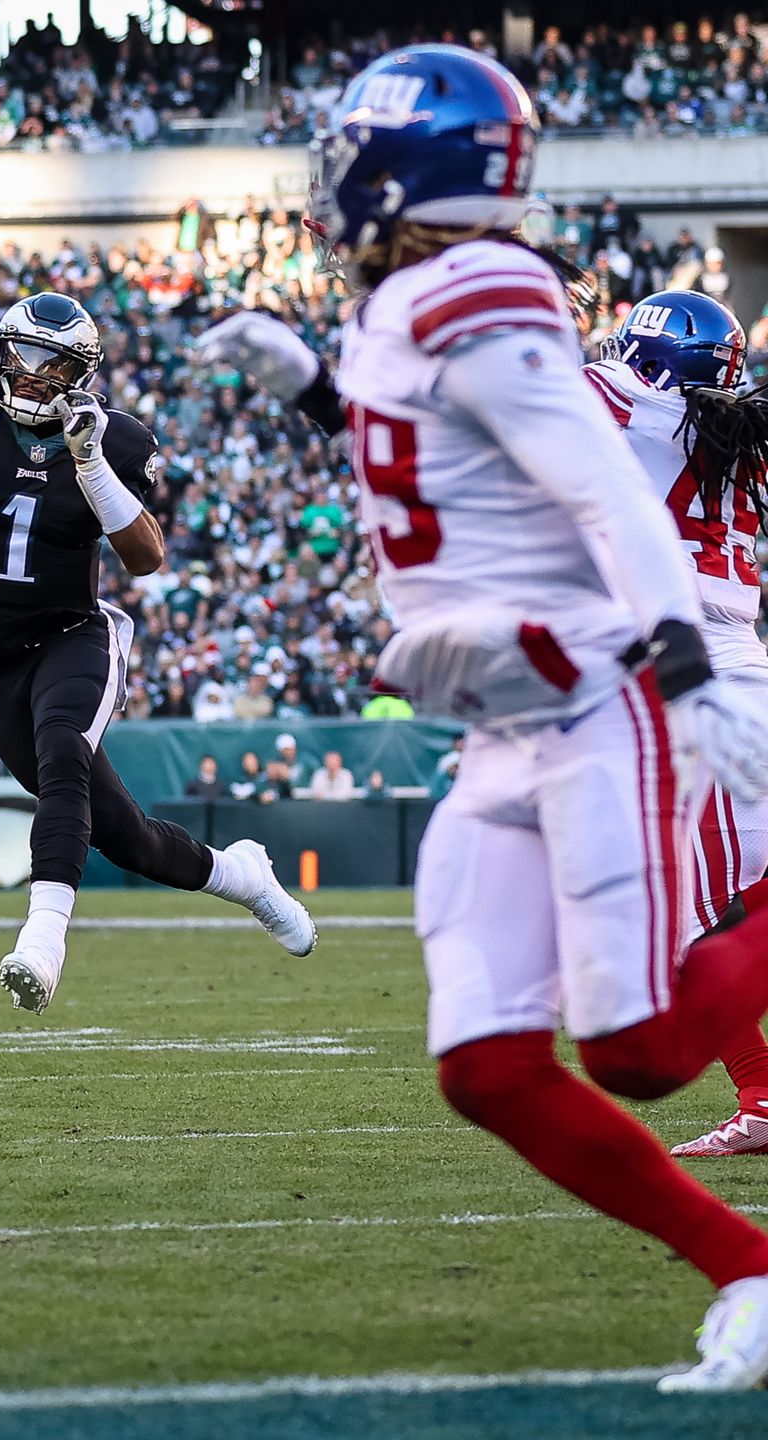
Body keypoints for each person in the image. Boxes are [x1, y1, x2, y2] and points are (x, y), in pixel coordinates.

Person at [195, 43, 768, 1392]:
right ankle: (747, 1272)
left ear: (414, 161)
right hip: (503, 712)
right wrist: (311, 388)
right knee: (487, 1066)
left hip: (593, 689)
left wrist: (680, 669)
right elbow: (471, 448)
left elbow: (597, 483)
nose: (335, 171)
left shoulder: (483, 283)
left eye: (355, 145)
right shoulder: (417, 297)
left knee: (638, 1048)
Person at [0, 291, 315, 1015]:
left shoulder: (114, 438)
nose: (31, 374)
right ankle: (242, 875)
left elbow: (145, 557)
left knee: (63, 757)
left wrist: (90, 464)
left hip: (71, 635)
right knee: (129, 840)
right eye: (23, 354)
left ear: (78, 373)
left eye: (51, 363)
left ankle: (42, 943)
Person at [581, 291, 768, 1158]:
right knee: (707, 904)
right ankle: (762, 1097)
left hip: (692, 674)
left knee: (704, 911)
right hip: (733, 663)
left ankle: (763, 1096)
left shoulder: (627, 401)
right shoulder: (737, 425)